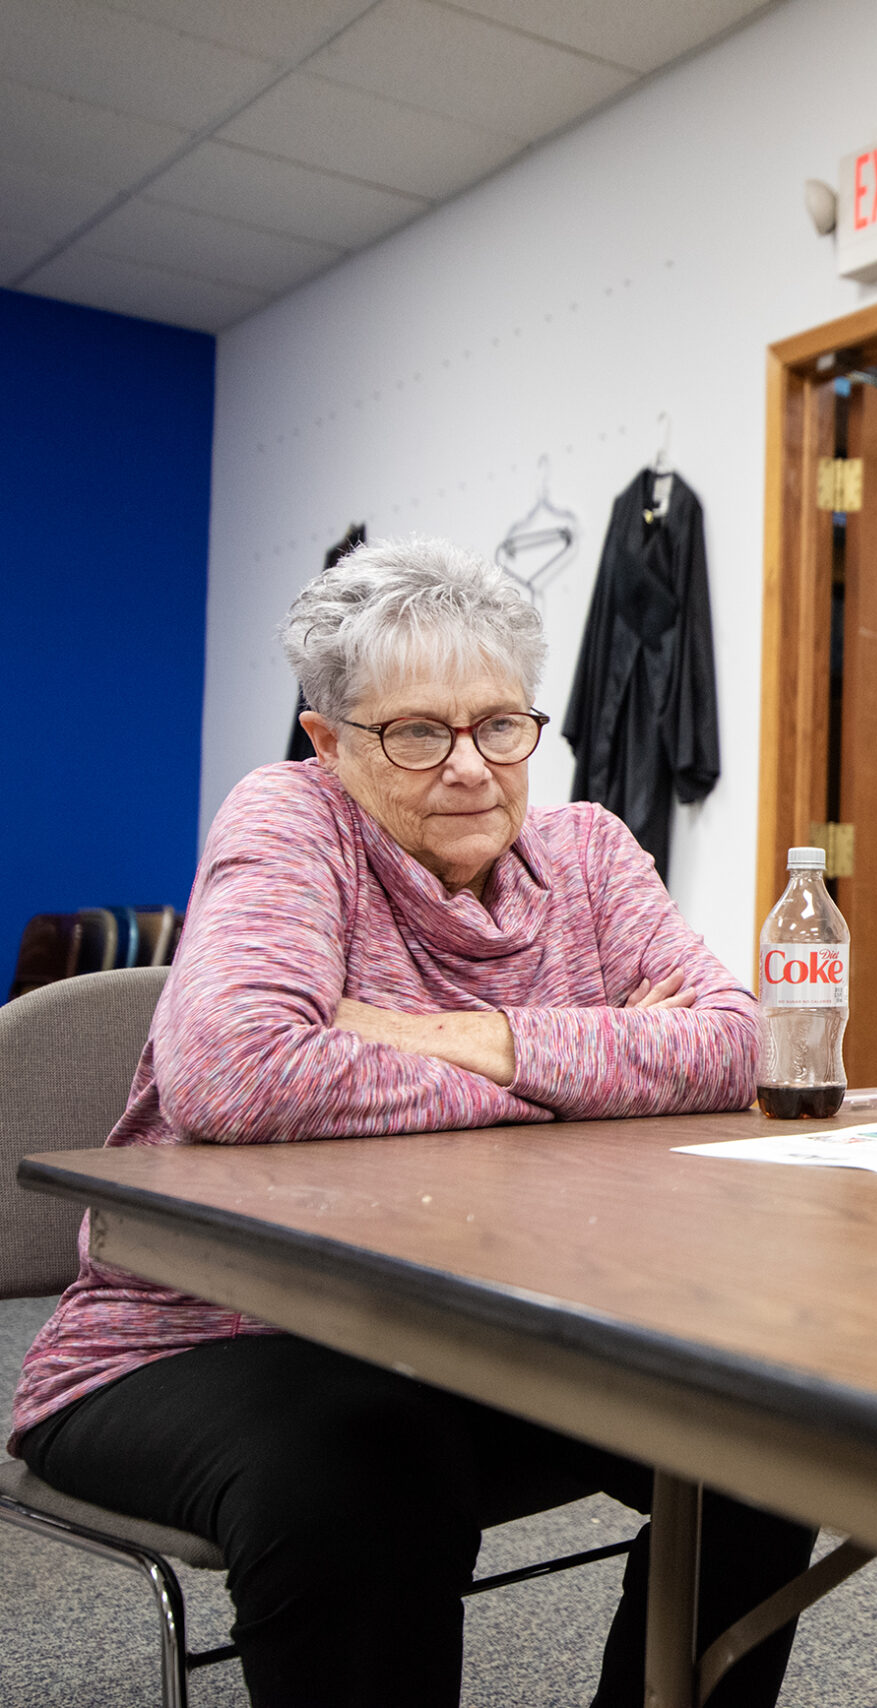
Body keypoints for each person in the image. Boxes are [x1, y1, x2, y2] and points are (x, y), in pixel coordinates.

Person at [10, 540, 815, 1708]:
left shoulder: (587, 850)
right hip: (200, 1335)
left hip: (482, 1322)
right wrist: (599, 1055)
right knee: (366, 1471)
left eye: (500, 726)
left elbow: (739, 1045)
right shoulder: (293, 824)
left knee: (765, 1438)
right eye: (415, 733)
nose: (470, 769)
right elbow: (235, 1075)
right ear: (328, 743)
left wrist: (441, 1033)